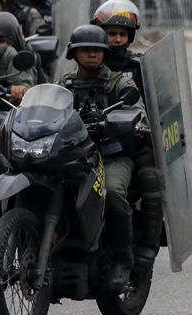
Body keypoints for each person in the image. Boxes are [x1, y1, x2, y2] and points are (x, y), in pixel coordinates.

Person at [59, 24, 145, 291]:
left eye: (97, 50)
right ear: (74, 53)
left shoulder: (118, 82)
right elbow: (49, 109)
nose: (93, 55)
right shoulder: (66, 84)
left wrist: (116, 123)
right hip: (74, 156)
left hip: (111, 156)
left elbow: (137, 112)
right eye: (86, 50)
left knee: (112, 192)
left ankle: (122, 260)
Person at [91, 0, 164, 271]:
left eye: (122, 34)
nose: (117, 40)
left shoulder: (141, 67)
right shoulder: (86, 63)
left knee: (150, 176)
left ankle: (149, 242)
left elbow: (161, 102)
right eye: (111, 34)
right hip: (92, 139)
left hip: (133, 142)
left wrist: (145, 128)